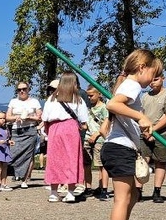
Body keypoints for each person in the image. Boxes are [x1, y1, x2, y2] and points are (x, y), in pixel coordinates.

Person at [101, 49, 156, 220]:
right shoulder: (132, 85)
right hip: (118, 148)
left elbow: (122, 111)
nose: (152, 80)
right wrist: (141, 116)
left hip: (123, 147)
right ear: (142, 67)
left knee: (132, 196)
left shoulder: (128, 85)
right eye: (153, 73)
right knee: (122, 199)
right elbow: (112, 104)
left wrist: (141, 127)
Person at [42, 73, 89, 202]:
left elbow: (45, 118)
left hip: (54, 129)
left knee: (54, 159)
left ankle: (53, 192)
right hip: (71, 128)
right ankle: (70, 193)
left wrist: (49, 131)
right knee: (72, 159)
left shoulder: (51, 99)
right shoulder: (78, 99)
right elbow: (84, 121)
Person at [138, 61, 166, 203]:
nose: (152, 83)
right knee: (142, 161)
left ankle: (157, 191)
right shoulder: (145, 96)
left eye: (156, 79)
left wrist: (153, 130)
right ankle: (138, 191)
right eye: (151, 80)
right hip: (145, 133)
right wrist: (145, 130)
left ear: (163, 79)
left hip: (162, 134)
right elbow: (140, 114)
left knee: (160, 162)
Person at [6, 82, 41, 188]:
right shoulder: (13, 101)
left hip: (30, 130)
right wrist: (16, 117)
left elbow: (39, 117)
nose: (22, 91)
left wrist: (29, 117)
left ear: (28, 89)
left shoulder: (35, 101)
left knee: (28, 156)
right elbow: (8, 116)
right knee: (12, 153)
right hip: (17, 130)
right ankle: (11, 175)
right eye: (19, 89)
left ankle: (25, 180)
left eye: (24, 89)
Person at [84, 85, 111, 201]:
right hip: (87, 137)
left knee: (101, 164)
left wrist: (97, 134)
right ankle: (88, 187)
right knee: (86, 164)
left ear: (99, 94)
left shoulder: (105, 108)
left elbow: (107, 125)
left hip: (99, 138)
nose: (89, 98)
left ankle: (103, 188)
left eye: (91, 95)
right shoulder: (88, 108)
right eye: (88, 96)